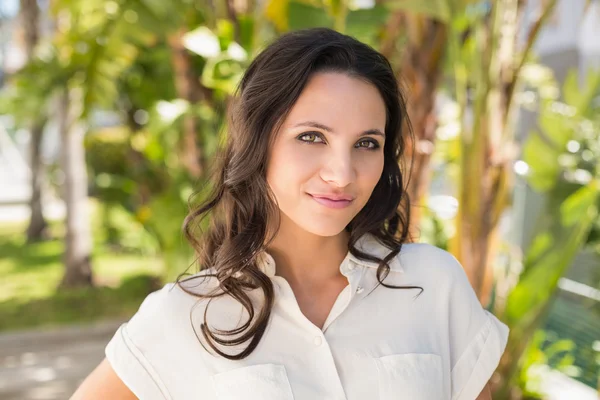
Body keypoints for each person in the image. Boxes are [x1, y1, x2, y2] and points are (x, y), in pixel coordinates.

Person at [71, 27, 509, 400]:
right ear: (259, 141)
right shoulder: (185, 315)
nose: (342, 174)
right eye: (313, 136)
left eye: (366, 143)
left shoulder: (432, 284)